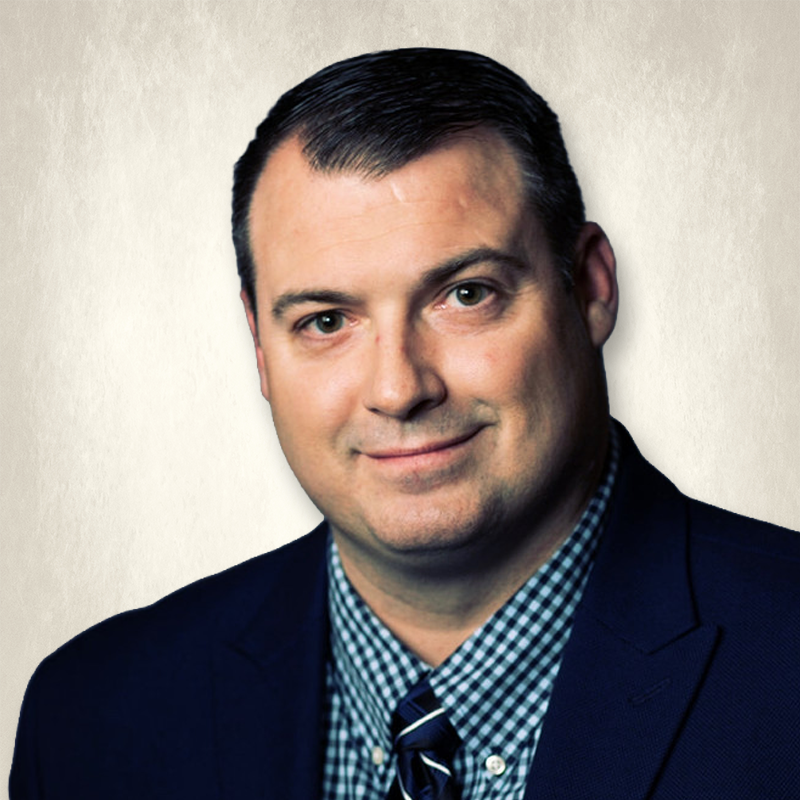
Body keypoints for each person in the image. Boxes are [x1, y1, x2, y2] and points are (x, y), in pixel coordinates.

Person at [10, 48, 800, 800]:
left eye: (466, 295)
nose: (398, 388)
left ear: (590, 288)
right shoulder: (93, 718)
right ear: (259, 345)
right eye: (325, 321)